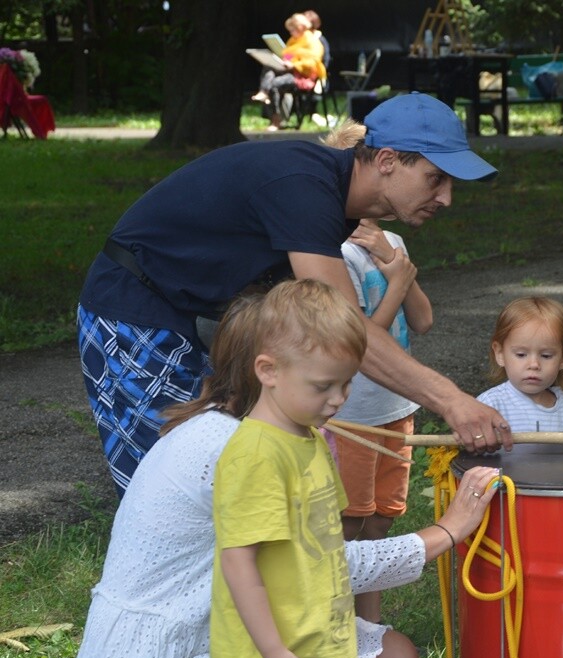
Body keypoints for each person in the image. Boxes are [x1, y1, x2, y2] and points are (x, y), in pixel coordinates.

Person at [77, 91, 511, 499]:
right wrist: (451, 401)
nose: (446, 197)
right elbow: (345, 331)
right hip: (134, 311)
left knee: (224, 479)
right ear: (387, 160)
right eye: (436, 179)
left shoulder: (333, 199)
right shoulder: (305, 186)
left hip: (190, 318)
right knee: (169, 484)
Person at [76, 281, 502, 658]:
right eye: (322, 385)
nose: (338, 399)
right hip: (168, 646)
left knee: (395, 653)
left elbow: (320, 551)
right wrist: (446, 532)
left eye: (345, 383)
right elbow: (321, 564)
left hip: (241, 617)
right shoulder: (237, 448)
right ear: (267, 371)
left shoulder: (282, 431)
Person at [317, 118, 432, 624]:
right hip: (355, 414)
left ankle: (370, 624)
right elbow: (359, 340)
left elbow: (423, 321)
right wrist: (396, 284)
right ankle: (334, 621)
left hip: (396, 408)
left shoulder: (394, 243)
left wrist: (401, 268)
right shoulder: (336, 251)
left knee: (383, 520)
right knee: (350, 522)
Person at [476, 296, 563, 433]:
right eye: (521, 354)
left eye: (546, 356)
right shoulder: (489, 404)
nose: (534, 365)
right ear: (500, 353)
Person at [250, 12, 327, 131]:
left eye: (292, 30)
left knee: (275, 84)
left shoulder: (313, 42)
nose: (290, 33)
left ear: (300, 27)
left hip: (302, 76)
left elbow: (313, 63)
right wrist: (284, 62)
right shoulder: (293, 40)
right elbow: (288, 55)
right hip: (289, 71)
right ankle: (264, 91)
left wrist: (294, 65)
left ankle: (276, 119)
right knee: (269, 67)